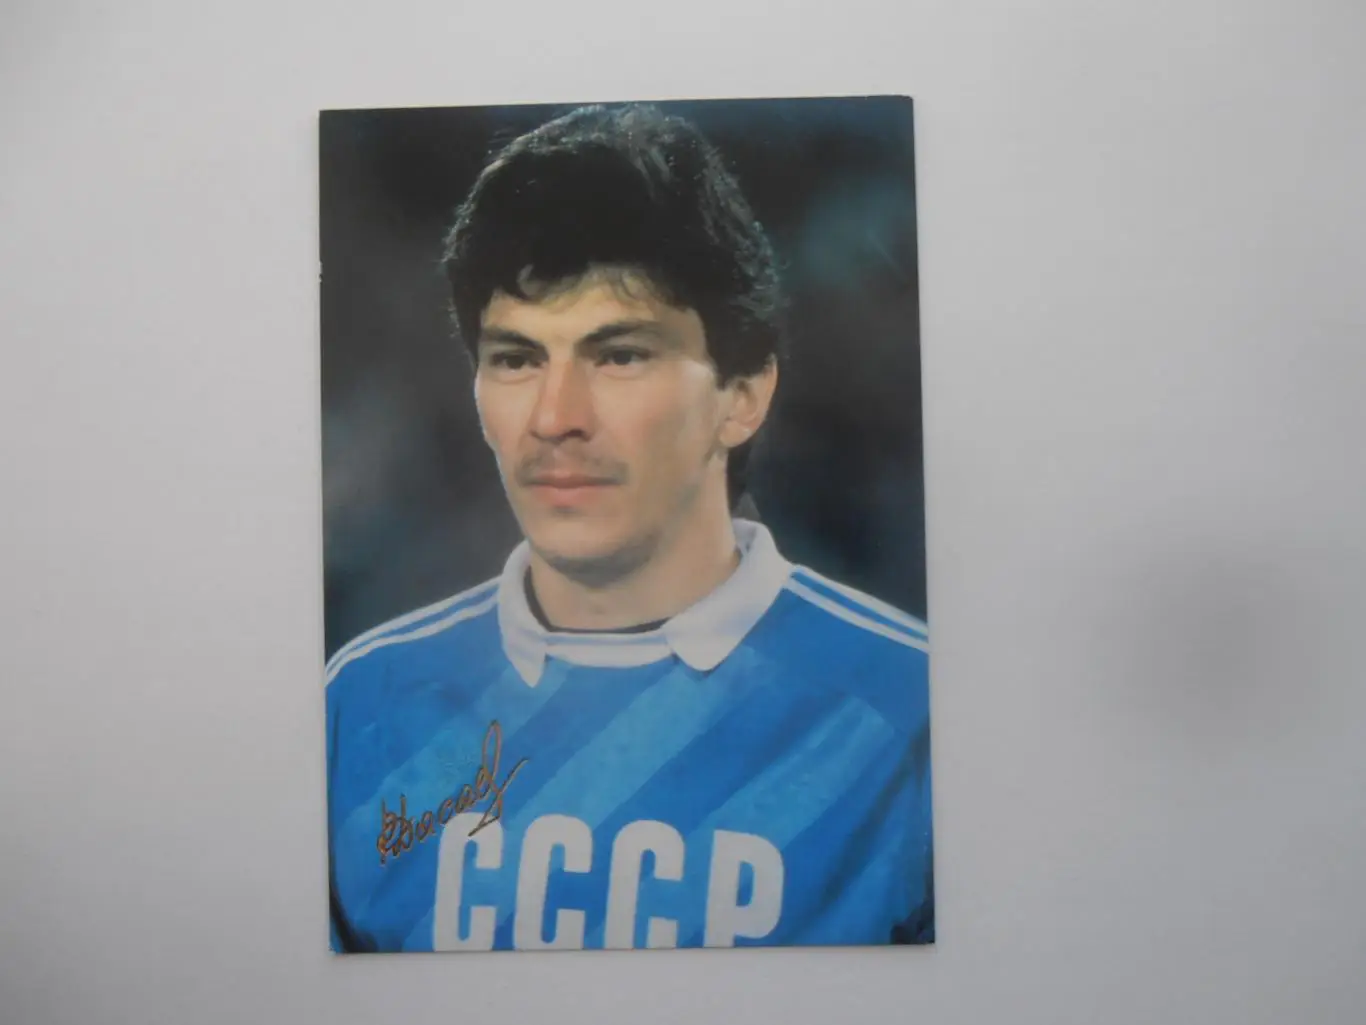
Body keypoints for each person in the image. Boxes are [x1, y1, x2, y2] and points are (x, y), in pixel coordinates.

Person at [324, 103, 933, 952]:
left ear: (743, 394)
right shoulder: (362, 703)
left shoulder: (909, 711)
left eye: (620, 355)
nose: (555, 417)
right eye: (516, 358)